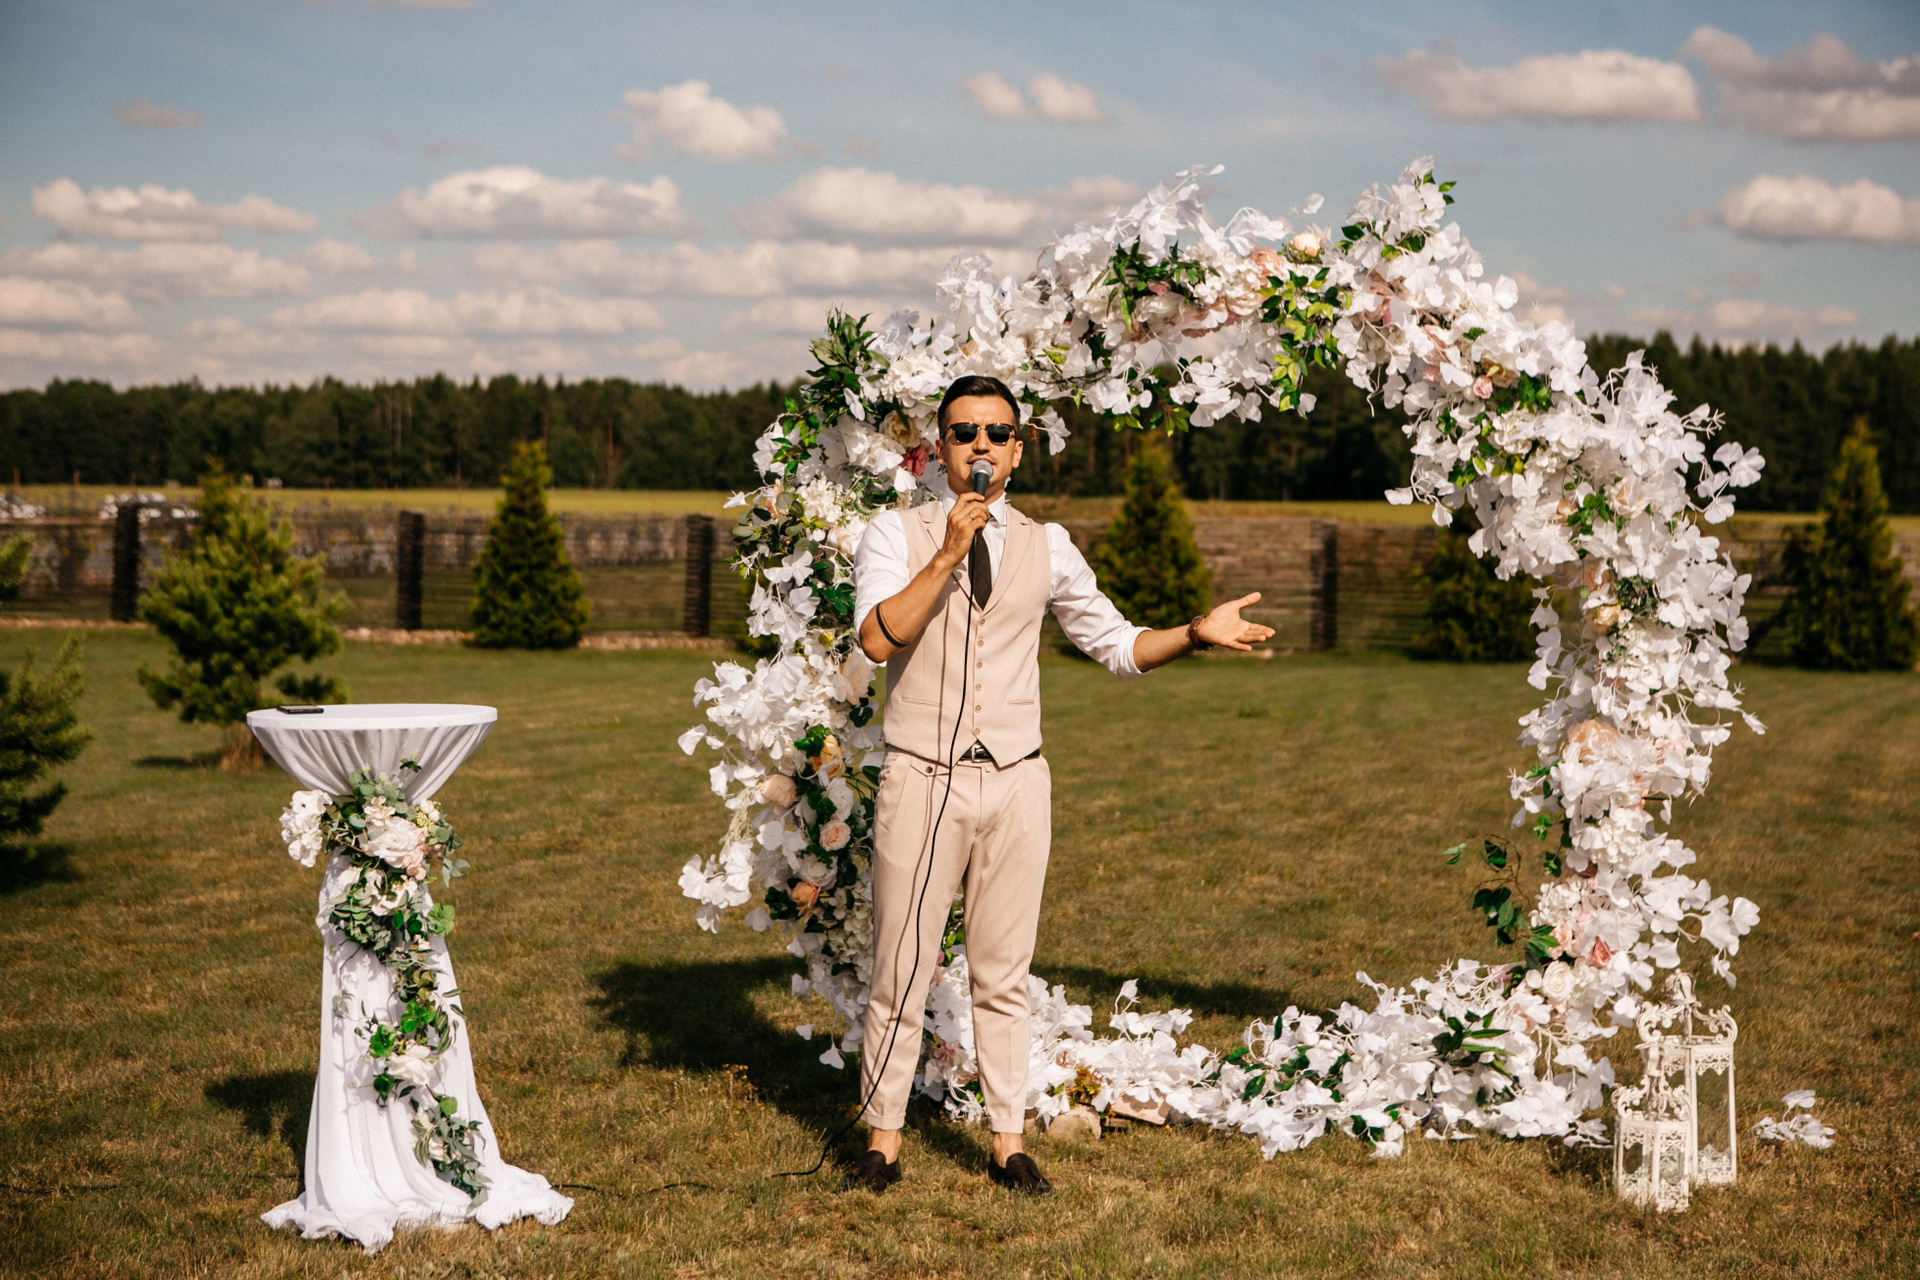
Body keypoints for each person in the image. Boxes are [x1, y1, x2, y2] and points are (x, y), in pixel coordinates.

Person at [840, 374, 1274, 1196]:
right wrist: (947, 552)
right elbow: (877, 639)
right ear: (938, 449)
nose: (981, 446)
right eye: (964, 432)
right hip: (921, 778)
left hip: (1016, 782)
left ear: (1017, 451)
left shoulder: (1050, 544)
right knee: (901, 968)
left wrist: (1195, 633)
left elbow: (1117, 645)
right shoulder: (894, 533)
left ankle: (1007, 1143)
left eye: (997, 434)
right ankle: (883, 1142)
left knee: (1004, 972)